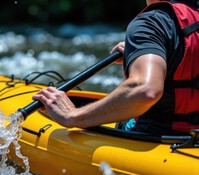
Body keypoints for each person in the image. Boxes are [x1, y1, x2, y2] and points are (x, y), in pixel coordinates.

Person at [32, 0, 199, 136]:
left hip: (159, 138)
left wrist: (72, 116)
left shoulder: (153, 22)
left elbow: (145, 91)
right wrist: (151, 50)